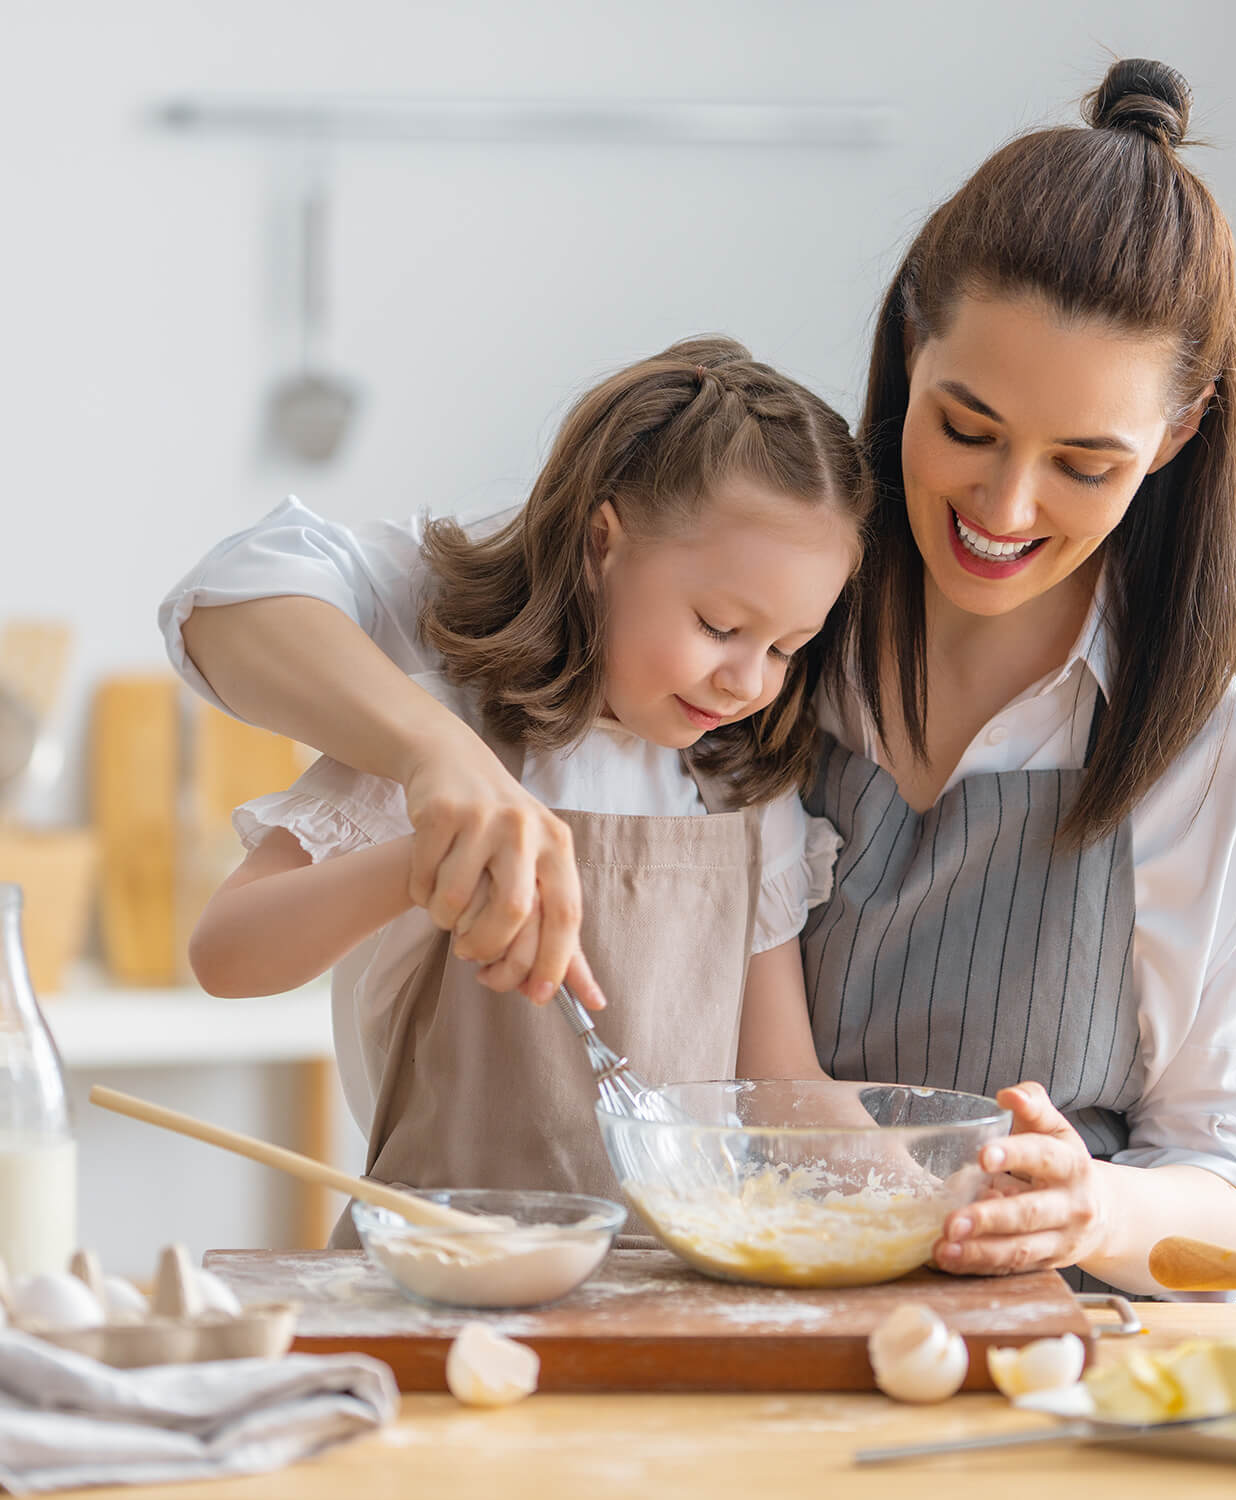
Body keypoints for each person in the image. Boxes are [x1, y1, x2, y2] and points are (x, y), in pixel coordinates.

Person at [161, 60, 1236, 1295]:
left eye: (1085, 465)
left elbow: (1234, 1172)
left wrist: (1086, 1208)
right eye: (967, 428)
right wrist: (440, 767)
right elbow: (243, 591)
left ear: (1179, 433)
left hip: (1032, 1340)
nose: (1004, 505)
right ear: (911, 344)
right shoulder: (756, 556)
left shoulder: (1215, 749)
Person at [185, 337, 868, 1242]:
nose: (747, 680)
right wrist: (424, 863)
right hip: (440, 1264)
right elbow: (225, 955)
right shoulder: (446, 735)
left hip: (668, 1279)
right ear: (601, 544)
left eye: (785, 649)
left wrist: (933, 1196)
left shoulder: (740, 792)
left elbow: (784, 1083)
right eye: (718, 626)